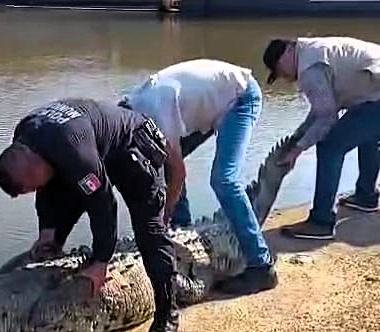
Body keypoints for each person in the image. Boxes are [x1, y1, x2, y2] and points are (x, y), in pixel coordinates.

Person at [0, 98, 180, 332]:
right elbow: (47, 188)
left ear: (33, 166)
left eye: (32, 186)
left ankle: (167, 316)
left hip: (134, 148)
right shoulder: (25, 136)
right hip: (94, 151)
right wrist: (48, 232)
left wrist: (101, 262)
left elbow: (103, 205)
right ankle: (55, 249)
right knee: (63, 197)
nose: (36, 191)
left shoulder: (73, 151)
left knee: (150, 232)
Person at [118, 58, 278, 296]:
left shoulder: (156, 111)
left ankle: (261, 266)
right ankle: (182, 228)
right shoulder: (133, 108)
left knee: (223, 180)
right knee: (161, 163)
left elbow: (178, 170)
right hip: (211, 99)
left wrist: (164, 213)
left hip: (239, 98)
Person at [262, 36, 380, 240]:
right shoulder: (313, 50)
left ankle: (321, 222)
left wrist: (297, 150)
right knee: (368, 134)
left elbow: (326, 118)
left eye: (280, 70)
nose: (285, 78)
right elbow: (321, 110)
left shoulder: (310, 70)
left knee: (330, 145)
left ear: (288, 52)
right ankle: (366, 198)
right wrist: (298, 137)